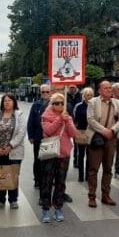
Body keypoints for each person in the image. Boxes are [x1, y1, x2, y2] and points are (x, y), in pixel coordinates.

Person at [40, 93, 79, 222]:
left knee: (60, 183)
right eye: (56, 103)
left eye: (62, 103)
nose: (60, 105)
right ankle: (45, 209)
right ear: (52, 104)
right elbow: (48, 131)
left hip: (64, 154)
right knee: (47, 182)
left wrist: (67, 121)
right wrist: (59, 120)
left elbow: (73, 133)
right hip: (50, 154)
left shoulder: (67, 116)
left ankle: (58, 207)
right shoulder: (46, 116)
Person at [86, 81, 119, 207]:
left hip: (111, 139)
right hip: (96, 138)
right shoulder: (92, 102)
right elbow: (90, 120)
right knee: (93, 169)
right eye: (106, 88)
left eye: (110, 88)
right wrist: (104, 131)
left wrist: (112, 130)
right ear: (100, 90)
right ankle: (92, 196)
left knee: (108, 168)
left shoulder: (117, 102)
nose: (109, 90)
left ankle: (106, 195)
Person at [0, 93, 26, 210]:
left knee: (13, 175)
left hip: (14, 151)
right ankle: (0, 200)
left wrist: (10, 146)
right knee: (0, 175)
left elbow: (21, 132)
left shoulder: (20, 115)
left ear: (14, 102)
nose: (7, 102)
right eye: (5, 101)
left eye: (9, 100)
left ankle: (13, 200)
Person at [27, 84, 51, 189]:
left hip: (51, 138)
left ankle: (49, 179)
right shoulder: (36, 104)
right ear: (40, 93)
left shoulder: (55, 103)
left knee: (50, 160)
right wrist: (30, 136)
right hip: (38, 137)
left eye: (47, 92)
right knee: (38, 159)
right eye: (43, 92)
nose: (45, 94)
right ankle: (37, 179)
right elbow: (31, 121)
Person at [73, 88, 94, 182]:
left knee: (90, 155)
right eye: (87, 95)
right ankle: (80, 175)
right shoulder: (79, 106)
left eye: (91, 95)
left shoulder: (94, 106)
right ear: (84, 96)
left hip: (91, 132)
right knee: (80, 155)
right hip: (81, 131)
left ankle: (88, 175)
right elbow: (75, 120)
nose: (89, 96)